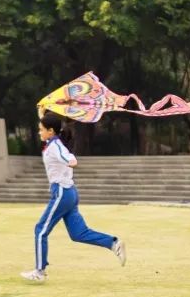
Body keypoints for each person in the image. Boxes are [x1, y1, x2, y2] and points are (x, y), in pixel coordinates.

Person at [21, 112, 126, 282]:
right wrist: (42, 112)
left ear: (51, 131)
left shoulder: (56, 146)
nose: (38, 132)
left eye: (41, 130)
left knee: (40, 230)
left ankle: (39, 272)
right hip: (68, 193)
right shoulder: (52, 142)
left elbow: (68, 157)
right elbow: (49, 128)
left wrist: (72, 161)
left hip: (62, 192)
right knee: (78, 233)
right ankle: (113, 243)